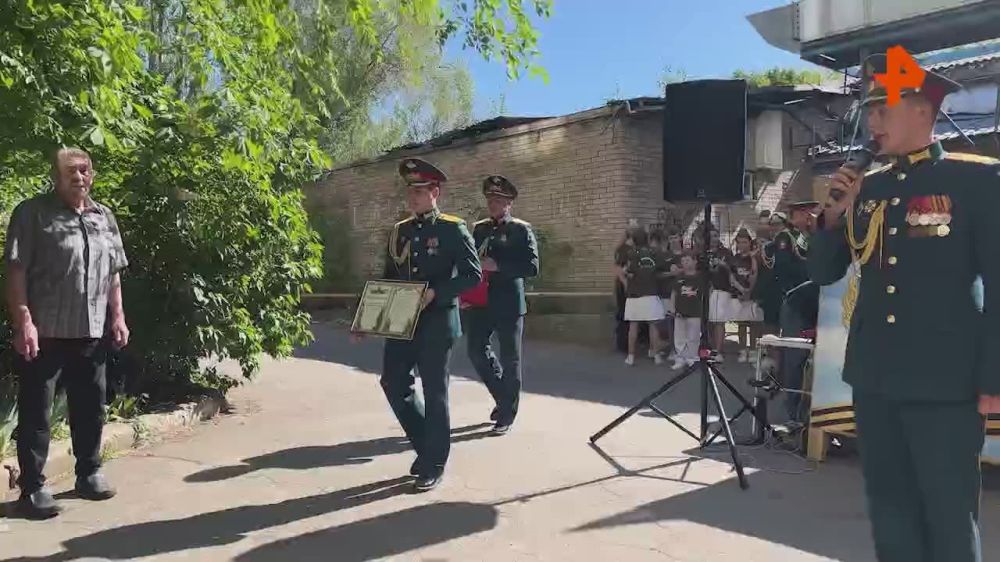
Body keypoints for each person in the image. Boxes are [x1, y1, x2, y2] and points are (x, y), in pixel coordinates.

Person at [810, 54, 1000, 562]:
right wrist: (832, 213)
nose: (872, 122)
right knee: (890, 512)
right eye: (869, 112)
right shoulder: (868, 188)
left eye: (883, 109)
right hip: (875, 379)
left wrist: (993, 379)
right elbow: (825, 273)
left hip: (946, 383)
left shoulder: (977, 181)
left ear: (922, 110)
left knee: (948, 515)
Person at [5, 147, 130, 519]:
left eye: (84, 170)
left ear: (92, 175)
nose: (79, 176)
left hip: (91, 329)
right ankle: (32, 488)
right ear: (56, 177)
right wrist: (23, 321)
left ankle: (89, 472)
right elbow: (15, 270)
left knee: (91, 406)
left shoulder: (103, 215)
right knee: (36, 412)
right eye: (70, 171)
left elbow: (114, 272)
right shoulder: (33, 213)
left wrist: (118, 316)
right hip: (44, 332)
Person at [352, 157, 481, 493]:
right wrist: (367, 318)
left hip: (438, 321)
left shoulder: (453, 229)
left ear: (435, 192)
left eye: (421, 190)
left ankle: (434, 463)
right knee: (393, 383)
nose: (413, 196)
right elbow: (389, 278)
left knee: (435, 392)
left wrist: (437, 292)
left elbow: (473, 275)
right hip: (401, 321)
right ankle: (428, 446)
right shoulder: (401, 230)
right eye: (411, 190)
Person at [465, 175, 539, 436]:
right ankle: (502, 396)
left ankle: (507, 414)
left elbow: (532, 267)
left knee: (510, 359)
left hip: (509, 302)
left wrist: (500, 267)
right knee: (475, 350)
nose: (493, 204)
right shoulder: (480, 228)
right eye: (490, 200)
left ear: (509, 204)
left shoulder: (521, 230)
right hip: (480, 301)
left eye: (498, 200)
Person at [763, 200, 820, 423]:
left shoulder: (816, 236)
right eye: (807, 213)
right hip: (797, 301)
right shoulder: (786, 237)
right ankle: (793, 413)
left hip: (818, 302)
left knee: (811, 360)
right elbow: (786, 267)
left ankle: (810, 409)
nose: (812, 216)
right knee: (794, 358)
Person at [616, 228, 667, 366]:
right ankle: (656, 355)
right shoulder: (654, 253)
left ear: (633, 240)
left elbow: (624, 271)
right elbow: (662, 269)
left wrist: (628, 280)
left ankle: (630, 357)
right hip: (650, 293)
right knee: (653, 326)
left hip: (634, 295)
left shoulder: (629, 254)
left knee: (633, 326)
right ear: (648, 239)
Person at [728, 228, 762, 363]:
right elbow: (731, 277)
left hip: (753, 296)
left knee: (754, 324)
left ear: (749, 243)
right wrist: (741, 289)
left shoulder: (755, 258)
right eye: (739, 242)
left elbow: (755, 274)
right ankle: (743, 350)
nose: (742, 245)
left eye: (744, 242)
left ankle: (754, 350)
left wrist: (749, 291)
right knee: (741, 325)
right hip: (739, 295)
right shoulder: (734, 259)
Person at [670, 251, 704, 369]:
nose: (685, 263)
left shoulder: (700, 277)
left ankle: (692, 357)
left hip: (695, 311)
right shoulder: (679, 278)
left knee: (693, 336)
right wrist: (673, 308)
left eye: (688, 260)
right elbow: (674, 293)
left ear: (695, 261)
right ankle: (680, 357)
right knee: (679, 336)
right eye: (683, 261)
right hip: (680, 311)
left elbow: (705, 294)